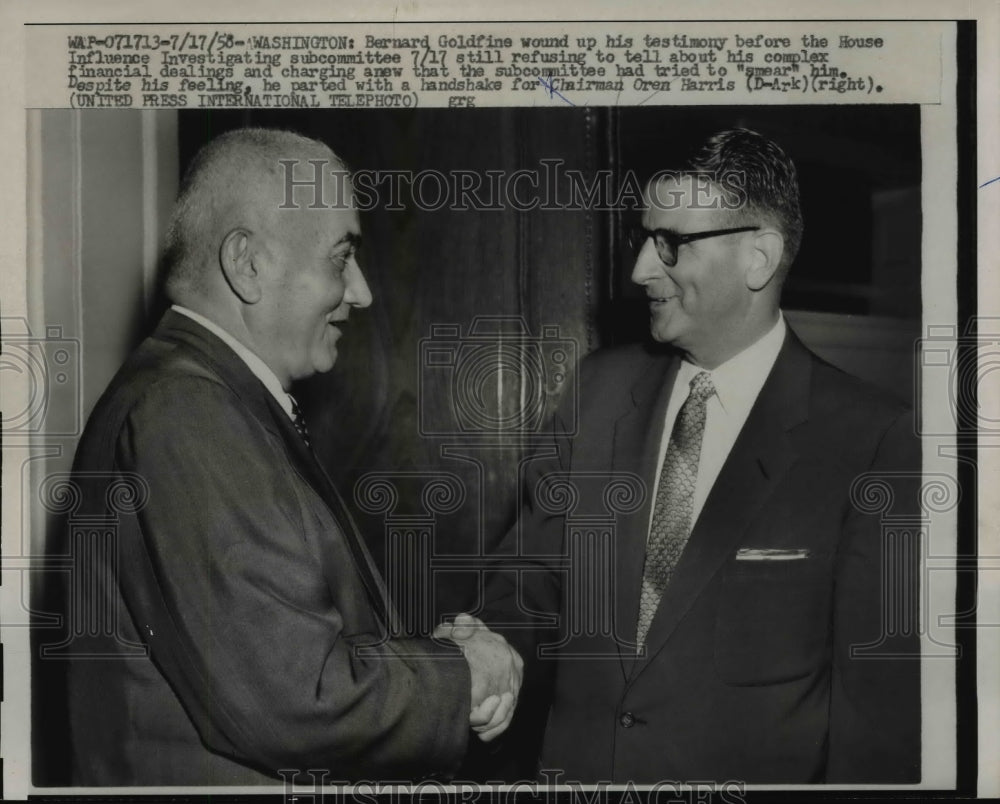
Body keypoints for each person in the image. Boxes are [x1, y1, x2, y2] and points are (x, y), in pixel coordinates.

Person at [65, 128, 521, 786]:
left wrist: (431, 657)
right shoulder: (188, 411)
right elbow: (293, 698)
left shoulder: (208, 394)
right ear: (248, 263)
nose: (361, 293)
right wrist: (460, 674)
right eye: (341, 258)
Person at [481, 129, 921, 783]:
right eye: (643, 238)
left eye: (672, 244)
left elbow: (875, 719)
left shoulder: (871, 439)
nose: (639, 270)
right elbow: (530, 576)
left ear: (759, 257)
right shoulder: (600, 389)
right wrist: (488, 644)